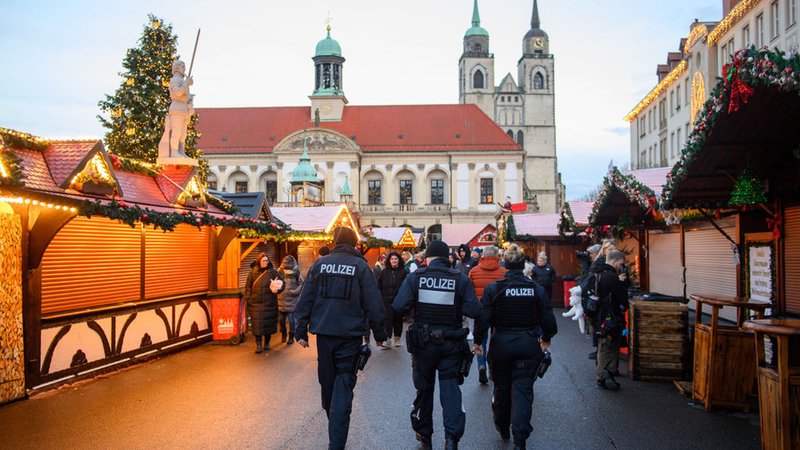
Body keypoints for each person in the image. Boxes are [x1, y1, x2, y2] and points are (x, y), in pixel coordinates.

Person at [294, 227, 386, 450]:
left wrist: (300, 330)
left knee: (328, 386)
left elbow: (305, 298)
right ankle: (337, 440)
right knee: (343, 388)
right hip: (350, 337)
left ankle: (334, 428)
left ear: (334, 241)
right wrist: (380, 333)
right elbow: (374, 303)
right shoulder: (361, 267)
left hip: (325, 336)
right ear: (355, 244)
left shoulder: (320, 264)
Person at [392, 240, 481, 450]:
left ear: (429, 258)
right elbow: (475, 310)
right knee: (450, 390)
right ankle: (451, 439)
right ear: (447, 258)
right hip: (452, 343)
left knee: (424, 390)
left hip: (423, 345)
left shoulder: (416, 277)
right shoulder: (460, 278)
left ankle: (424, 436)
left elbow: (398, 306)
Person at [473, 244, 557, 450]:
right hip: (528, 343)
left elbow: (483, 317)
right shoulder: (535, 288)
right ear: (523, 266)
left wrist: (477, 340)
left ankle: (503, 427)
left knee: (501, 389)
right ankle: (520, 438)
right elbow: (548, 318)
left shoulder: (495, 288)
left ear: (506, 265)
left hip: (501, 344)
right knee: (523, 391)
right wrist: (546, 337)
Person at [468, 245, 506, 385]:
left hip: (480, 310)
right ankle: (492, 369)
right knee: (495, 341)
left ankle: (481, 365)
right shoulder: (504, 272)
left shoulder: (474, 271)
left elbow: (469, 292)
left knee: (480, 339)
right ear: (497, 256)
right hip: (499, 312)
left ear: (483, 255)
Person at [593, 249, 629, 390]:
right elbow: (621, 297)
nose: (621, 267)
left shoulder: (599, 273)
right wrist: (622, 283)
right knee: (607, 347)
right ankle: (603, 376)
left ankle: (606, 375)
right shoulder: (611, 277)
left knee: (605, 345)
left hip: (600, 316)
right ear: (614, 261)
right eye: (620, 263)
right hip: (609, 317)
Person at [244, 253, 285, 353]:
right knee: (257, 324)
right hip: (255, 303)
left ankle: (267, 342)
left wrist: (277, 290)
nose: (265, 262)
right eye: (263, 261)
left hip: (269, 302)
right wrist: (248, 298)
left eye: (267, 260)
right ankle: (258, 344)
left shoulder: (273, 272)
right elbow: (248, 286)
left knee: (268, 324)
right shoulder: (252, 272)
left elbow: (282, 283)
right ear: (259, 262)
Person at [158, 60, 194, 159]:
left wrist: (190, 103)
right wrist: (186, 84)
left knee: (183, 134)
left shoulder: (182, 80)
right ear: (177, 68)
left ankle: (181, 152)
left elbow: (187, 96)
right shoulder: (175, 80)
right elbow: (178, 93)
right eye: (183, 66)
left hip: (184, 109)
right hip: (177, 109)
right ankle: (174, 152)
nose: (185, 68)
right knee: (176, 131)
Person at [377, 251, 407, 348]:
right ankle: (387, 339)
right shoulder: (384, 272)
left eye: (396, 259)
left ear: (399, 260)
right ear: (389, 261)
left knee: (398, 319)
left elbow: (405, 287)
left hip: (398, 300)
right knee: (387, 320)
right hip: (386, 300)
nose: (394, 260)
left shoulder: (403, 272)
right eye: (392, 259)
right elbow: (379, 285)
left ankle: (397, 338)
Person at [278, 255, 303, 345]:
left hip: (292, 300)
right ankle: (283, 333)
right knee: (281, 320)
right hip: (281, 300)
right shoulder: (280, 271)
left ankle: (291, 336)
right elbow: (275, 282)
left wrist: (295, 292)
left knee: (292, 321)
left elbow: (301, 284)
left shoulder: (296, 271)